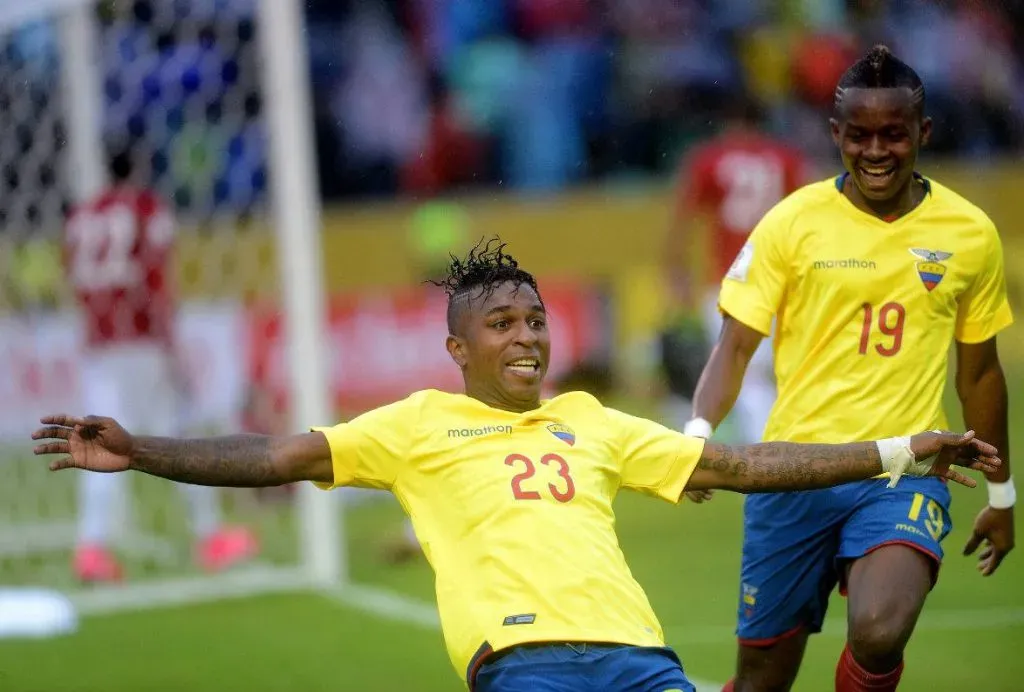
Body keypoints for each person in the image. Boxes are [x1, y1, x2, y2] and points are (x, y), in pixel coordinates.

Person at [33, 240, 999, 692]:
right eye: (502, 325)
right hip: (525, 666)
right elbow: (273, 453)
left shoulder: (593, 419)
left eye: (535, 320)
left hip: (641, 664)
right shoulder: (414, 426)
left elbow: (744, 462)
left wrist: (897, 450)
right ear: (460, 351)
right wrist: (143, 450)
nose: (528, 338)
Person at [684, 46, 1015, 692]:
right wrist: (698, 435)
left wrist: (1003, 496)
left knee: (880, 627)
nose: (875, 151)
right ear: (835, 134)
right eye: (858, 136)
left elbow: (979, 375)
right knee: (760, 683)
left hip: (904, 470)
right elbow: (734, 346)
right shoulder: (791, 223)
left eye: (893, 134)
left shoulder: (970, 234)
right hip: (793, 472)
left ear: (922, 132)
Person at [63, 150, 258, 582]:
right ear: (137, 168)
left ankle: (91, 548)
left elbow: (73, 273)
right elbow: (153, 276)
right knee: (178, 437)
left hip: (100, 340)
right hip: (141, 339)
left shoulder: (82, 215)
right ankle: (210, 537)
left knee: (98, 437)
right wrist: (170, 343)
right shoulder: (146, 208)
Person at [664, 92, 811, 450]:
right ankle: (789, 446)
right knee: (784, 372)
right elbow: (811, 216)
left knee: (744, 373)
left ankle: (765, 453)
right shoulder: (786, 158)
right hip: (783, 278)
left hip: (731, 279)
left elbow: (683, 222)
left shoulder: (710, 159)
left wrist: (676, 273)